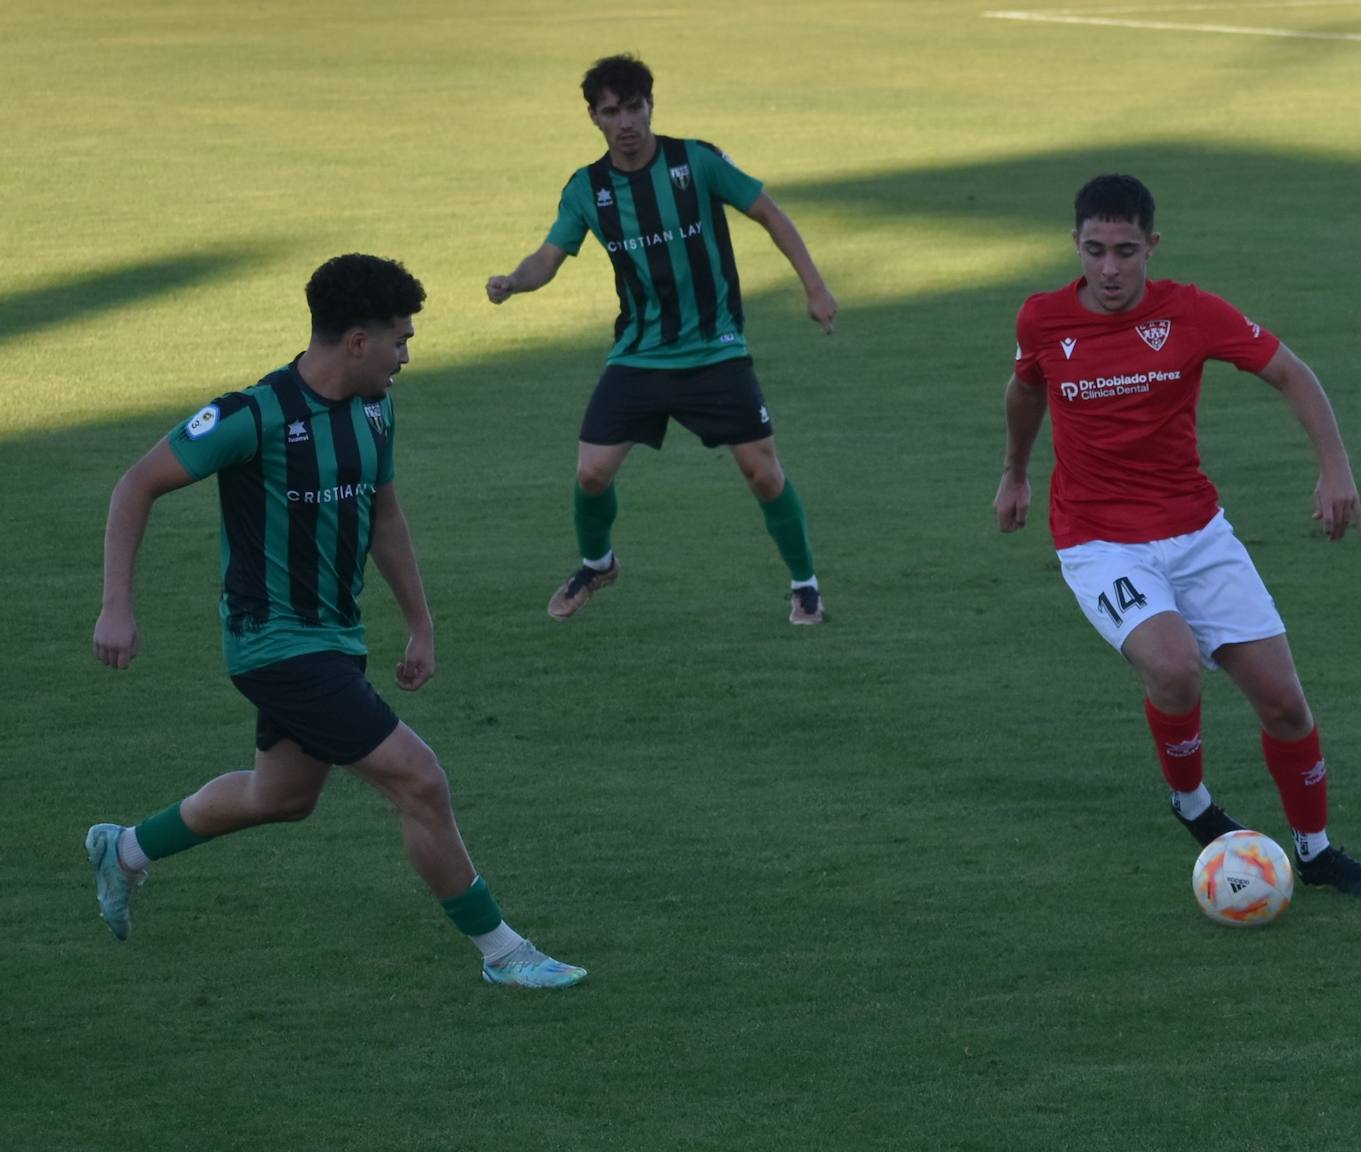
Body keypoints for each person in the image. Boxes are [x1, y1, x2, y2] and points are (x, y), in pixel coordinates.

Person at [87, 253, 588, 986]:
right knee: (420, 780)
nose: (406, 356)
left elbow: (384, 515)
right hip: (273, 643)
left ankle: (125, 850)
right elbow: (137, 484)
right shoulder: (252, 415)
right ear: (357, 341)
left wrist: (420, 623)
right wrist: (116, 604)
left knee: (281, 796)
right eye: (399, 340)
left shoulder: (376, 409)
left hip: (334, 637)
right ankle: (504, 953)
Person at [994, 174, 1361, 896]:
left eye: (1125, 251)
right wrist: (1015, 473)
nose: (1109, 269)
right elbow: (1026, 390)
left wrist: (1335, 468)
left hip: (1197, 533)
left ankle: (1316, 851)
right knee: (1172, 667)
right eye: (1095, 250)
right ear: (1075, 244)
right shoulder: (1042, 319)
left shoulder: (1191, 313)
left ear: (1152, 246)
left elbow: (1289, 372)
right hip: (1098, 540)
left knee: (1285, 703)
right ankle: (1193, 803)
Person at [486, 54, 838, 625]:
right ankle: (597, 565)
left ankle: (806, 585)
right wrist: (514, 282)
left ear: (651, 105)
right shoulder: (587, 189)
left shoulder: (696, 161)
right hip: (640, 354)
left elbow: (769, 213)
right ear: (594, 118)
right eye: (610, 112)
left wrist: (815, 287)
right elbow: (548, 258)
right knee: (591, 473)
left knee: (763, 473)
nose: (625, 122)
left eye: (633, 107)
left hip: (715, 349)